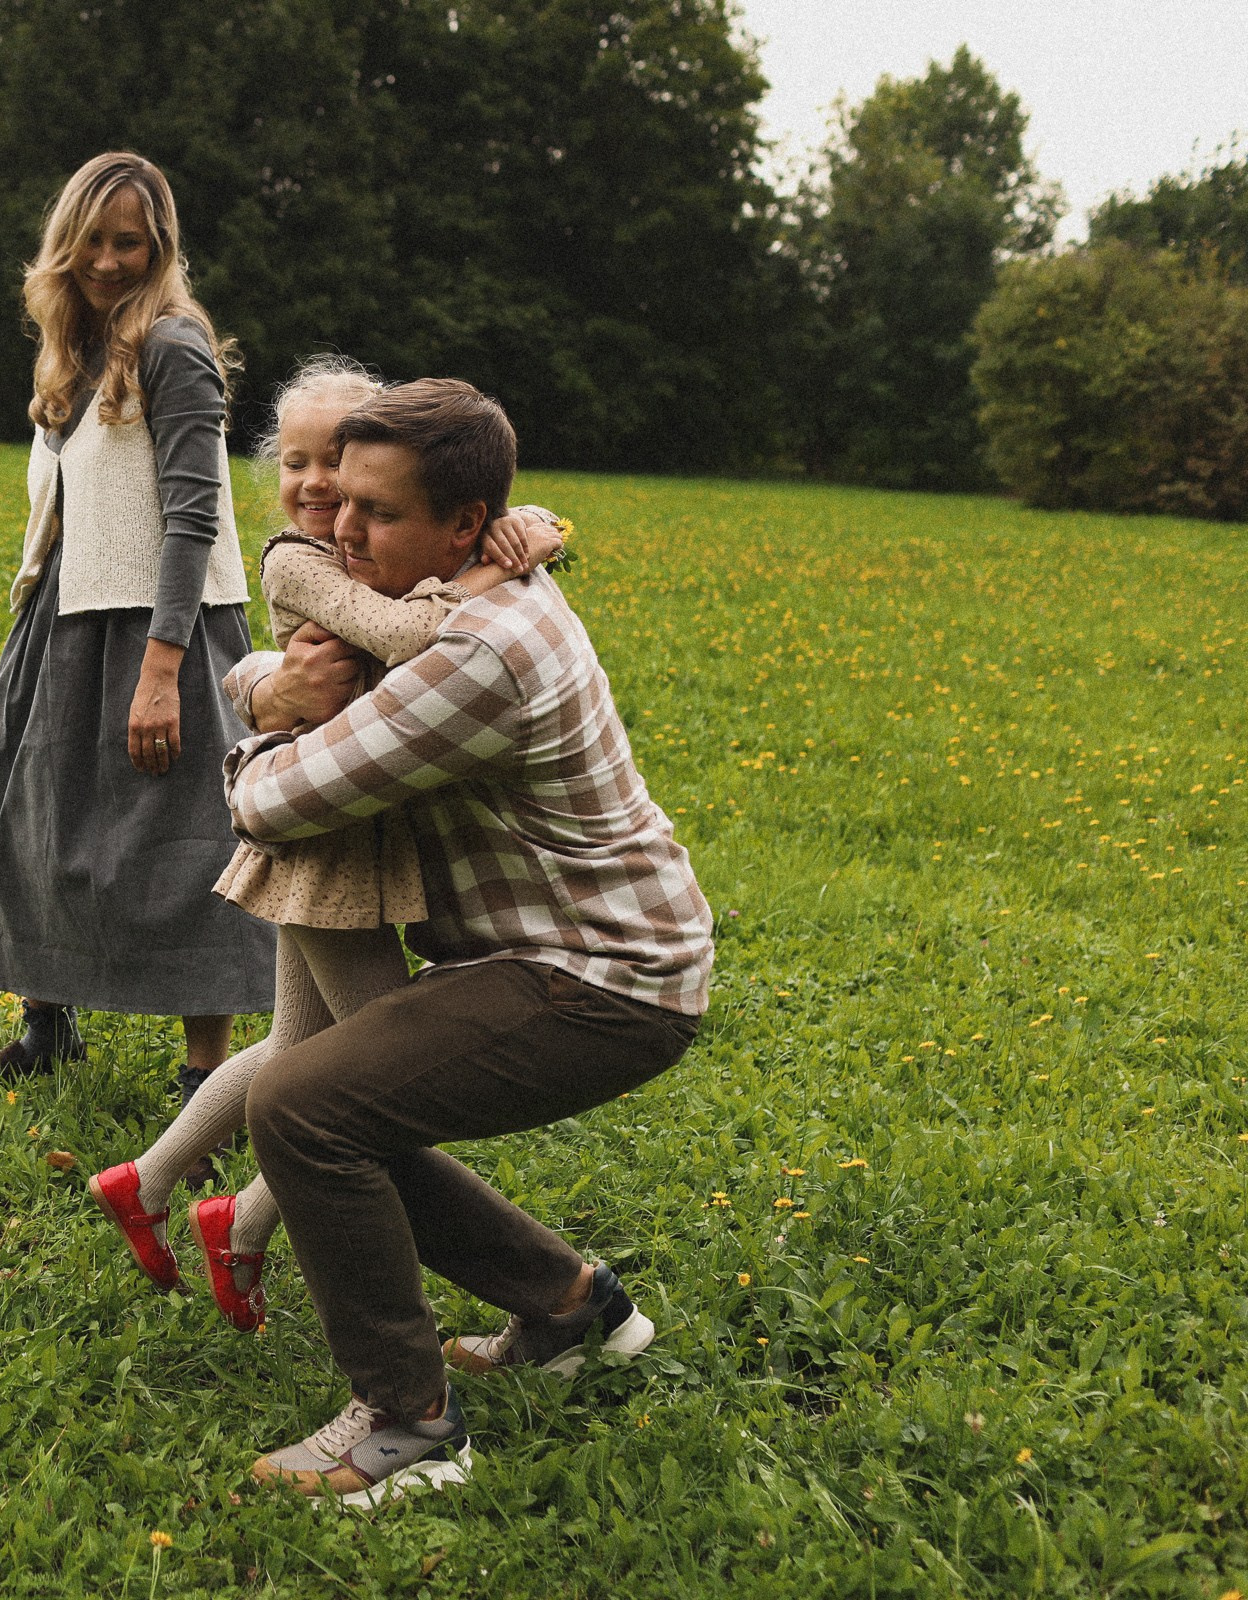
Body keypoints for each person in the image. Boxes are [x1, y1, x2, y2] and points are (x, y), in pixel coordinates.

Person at [224, 380, 713, 1506]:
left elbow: (275, 806)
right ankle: (571, 1307)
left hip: (602, 976)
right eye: (339, 501)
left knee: (300, 1107)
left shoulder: (474, 652)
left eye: (377, 515)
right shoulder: (448, 593)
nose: (340, 532)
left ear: (463, 523)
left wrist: (262, 724)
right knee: (342, 1101)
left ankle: (411, 1427)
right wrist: (272, 688)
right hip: (566, 953)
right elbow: (298, 664)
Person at [84, 358, 565, 1323]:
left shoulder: (371, 545)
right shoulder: (298, 559)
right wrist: (492, 565)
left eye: (335, 465)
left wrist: (533, 527)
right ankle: (249, 1218)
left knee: (303, 1049)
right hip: (328, 841)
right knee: (375, 1068)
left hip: (353, 828)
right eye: (294, 462)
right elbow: (407, 636)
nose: (314, 486)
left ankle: (155, 1183)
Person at [0, 151, 272, 1087]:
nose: (107, 260)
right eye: (92, 240)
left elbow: (194, 515)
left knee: (190, 848)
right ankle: (45, 1031)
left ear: (158, 247)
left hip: (160, 626)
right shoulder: (76, 344)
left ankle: (204, 1076)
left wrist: (160, 669)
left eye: (128, 242)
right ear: (65, 243)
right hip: (66, 615)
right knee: (32, 825)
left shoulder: (172, 345)